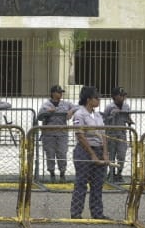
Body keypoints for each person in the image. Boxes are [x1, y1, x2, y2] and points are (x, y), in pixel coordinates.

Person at [68, 86, 109, 220]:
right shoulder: (80, 114)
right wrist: (92, 154)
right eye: (96, 98)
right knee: (81, 183)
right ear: (88, 99)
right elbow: (80, 135)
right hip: (84, 150)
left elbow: (103, 134)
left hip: (98, 149)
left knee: (97, 184)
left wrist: (105, 153)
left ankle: (97, 213)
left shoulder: (97, 115)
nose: (99, 100)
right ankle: (76, 213)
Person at [36, 85, 75, 182]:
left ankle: (62, 173)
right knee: (50, 154)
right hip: (49, 134)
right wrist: (47, 112)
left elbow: (78, 107)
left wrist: (71, 111)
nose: (60, 94)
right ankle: (52, 173)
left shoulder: (65, 104)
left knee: (62, 153)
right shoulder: (46, 105)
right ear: (53, 93)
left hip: (62, 133)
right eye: (58, 92)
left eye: (61, 92)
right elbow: (39, 117)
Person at [102, 87, 133, 182]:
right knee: (111, 155)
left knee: (122, 155)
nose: (123, 97)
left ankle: (119, 173)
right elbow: (104, 120)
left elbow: (127, 117)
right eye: (121, 95)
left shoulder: (126, 106)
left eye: (124, 95)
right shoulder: (109, 107)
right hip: (111, 133)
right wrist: (112, 116)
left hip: (122, 133)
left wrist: (129, 121)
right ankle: (111, 173)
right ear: (115, 96)